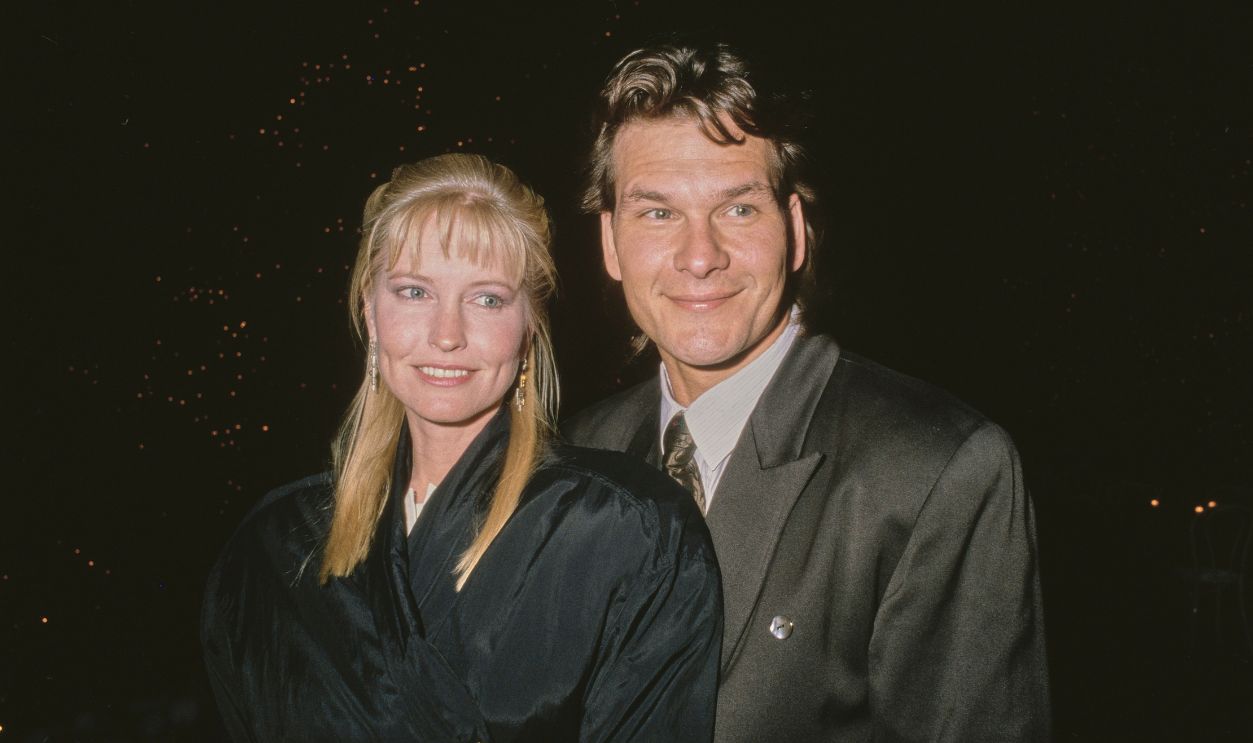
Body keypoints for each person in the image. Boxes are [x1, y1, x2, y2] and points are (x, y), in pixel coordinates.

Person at [563, 41, 1050, 742]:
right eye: (658, 213)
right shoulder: (572, 456)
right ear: (610, 243)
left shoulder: (936, 468)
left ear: (793, 232)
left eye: (736, 209)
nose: (699, 257)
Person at [202, 153, 722, 742]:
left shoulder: (632, 531)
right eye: (414, 291)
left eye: (487, 300)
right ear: (370, 313)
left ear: (529, 327)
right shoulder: (273, 547)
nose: (447, 335)